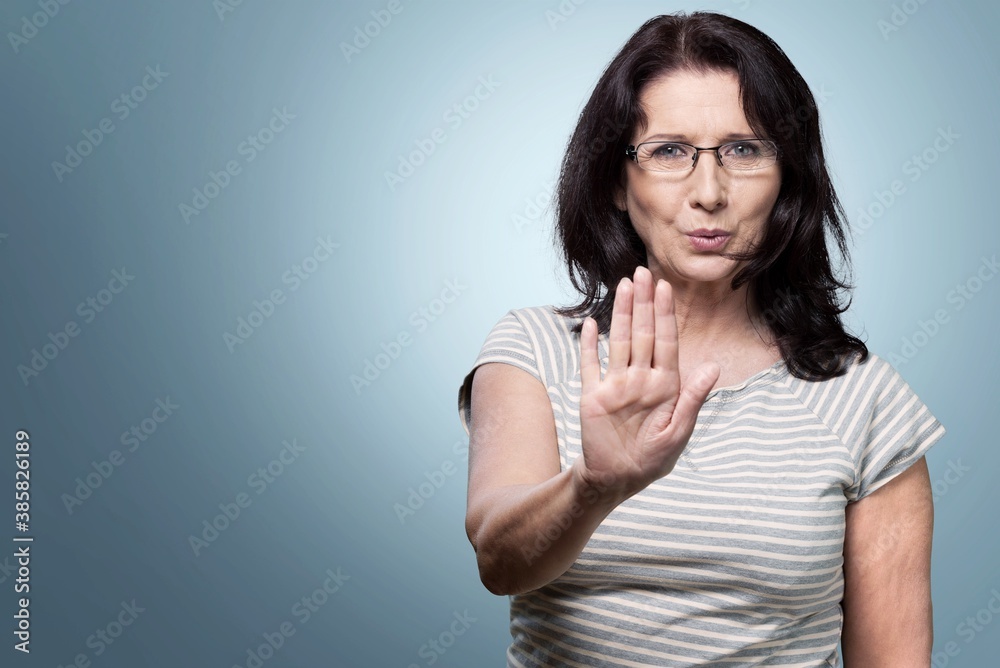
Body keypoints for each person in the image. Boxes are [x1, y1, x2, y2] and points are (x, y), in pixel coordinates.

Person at [457, 11, 945, 668]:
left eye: (744, 150)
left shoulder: (867, 402)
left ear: (787, 182)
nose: (709, 192)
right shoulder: (534, 348)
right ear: (614, 185)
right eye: (668, 151)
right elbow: (498, 559)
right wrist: (597, 486)